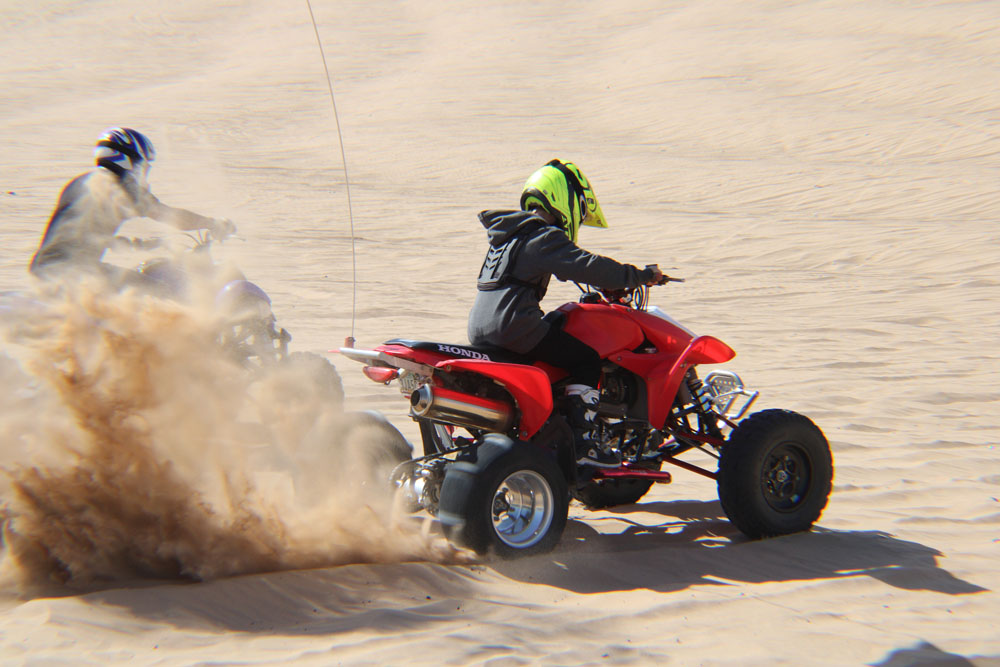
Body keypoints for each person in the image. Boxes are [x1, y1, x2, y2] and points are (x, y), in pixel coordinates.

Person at [468, 159, 663, 467]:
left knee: (555, 339)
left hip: (481, 327)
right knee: (585, 360)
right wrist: (637, 276)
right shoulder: (543, 236)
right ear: (566, 199)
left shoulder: (509, 237)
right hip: (514, 326)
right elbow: (589, 266)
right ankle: (583, 447)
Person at [28, 127, 234, 284]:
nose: (144, 173)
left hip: (44, 269)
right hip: (80, 271)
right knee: (157, 289)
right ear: (131, 162)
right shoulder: (121, 188)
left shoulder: (82, 182)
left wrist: (145, 244)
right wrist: (211, 223)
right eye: (143, 166)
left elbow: (84, 235)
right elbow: (168, 215)